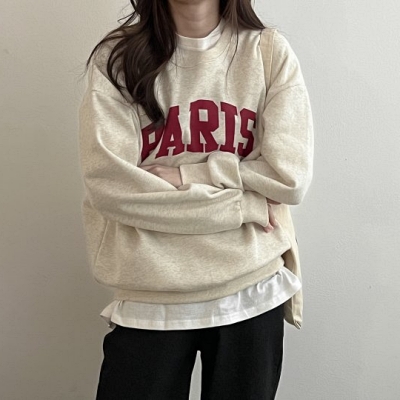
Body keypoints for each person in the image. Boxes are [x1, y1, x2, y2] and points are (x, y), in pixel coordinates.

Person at [77, 0, 314, 399]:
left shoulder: (267, 52)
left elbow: (288, 177)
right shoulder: (117, 60)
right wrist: (246, 205)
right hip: (151, 294)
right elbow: (112, 188)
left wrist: (192, 174)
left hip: (251, 290)